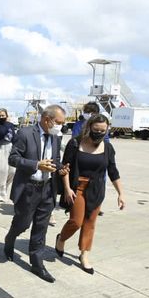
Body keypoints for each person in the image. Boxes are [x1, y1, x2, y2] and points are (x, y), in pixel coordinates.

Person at [4, 105, 68, 283]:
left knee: (41, 227)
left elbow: (55, 160)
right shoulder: (25, 134)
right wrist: (36, 165)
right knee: (22, 223)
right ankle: (10, 238)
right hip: (28, 188)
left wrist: (61, 168)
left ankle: (37, 263)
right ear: (48, 120)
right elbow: (13, 158)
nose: (61, 127)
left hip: (48, 188)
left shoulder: (55, 138)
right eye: (59, 123)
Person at [55, 114, 124, 274]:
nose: (99, 133)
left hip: (96, 189)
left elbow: (113, 171)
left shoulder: (108, 148)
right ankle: (61, 239)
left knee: (90, 222)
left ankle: (84, 254)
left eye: (103, 131)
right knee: (76, 221)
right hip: (76, 187)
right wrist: (67, 188)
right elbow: (65, 168)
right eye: (96, 130)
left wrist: (121, 193)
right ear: (89, 127)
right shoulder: (75, 143)